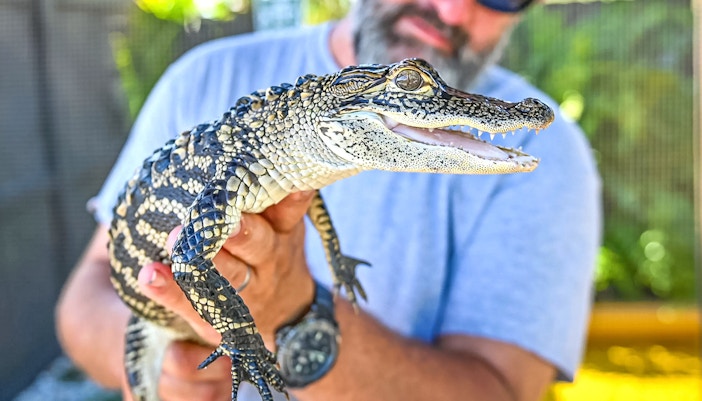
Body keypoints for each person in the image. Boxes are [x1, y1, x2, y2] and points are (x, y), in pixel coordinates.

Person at [56, 0, 601, 400]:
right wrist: (168, 371)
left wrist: (294, 309)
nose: (453, 9)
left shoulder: (548, 154)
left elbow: (503, 392)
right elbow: (91, 293)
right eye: (411, 86)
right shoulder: (201, 80)